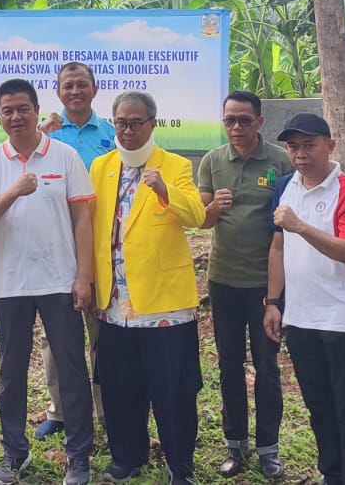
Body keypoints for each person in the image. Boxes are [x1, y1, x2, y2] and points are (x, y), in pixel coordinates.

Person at [0, 78, 97, 485]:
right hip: (10, 285)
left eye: (22, 108)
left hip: (60, 281)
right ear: (0, 115)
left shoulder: (64, 156)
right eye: (7, 110)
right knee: (11, 374)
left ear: (37, 110)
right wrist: (14, 191)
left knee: (73, 370)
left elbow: (82, 220)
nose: (15, 116)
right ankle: (14, 453)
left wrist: (84, 276)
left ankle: (79, 457)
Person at [89, 91, 206, 485]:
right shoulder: (102, 167)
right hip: (115, 303)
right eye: (121, 122)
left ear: (152, 124)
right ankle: (127, 456)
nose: (128, 130)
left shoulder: (173, 166)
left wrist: (164, 192)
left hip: (163, 304)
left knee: (172, 391)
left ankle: (179, 464)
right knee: (121, 387)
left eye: (136, 123)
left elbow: (197, 215)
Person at [262, 113, 345, 485]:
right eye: (293, 146)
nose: (300, 154)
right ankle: (332, 474)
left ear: (330, 145)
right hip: (301, 317)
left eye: (309, 145)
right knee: (319, 407)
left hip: (342, 317)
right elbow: (277, 246)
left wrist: (302, 226)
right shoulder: (285, 187)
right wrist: (273, 302)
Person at [198, 90, 292, 478]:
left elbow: (287, 225)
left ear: (259, 122)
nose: (236, 127)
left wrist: (276, 295)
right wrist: (212, 208)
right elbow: (201, 222)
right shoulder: (212, 162)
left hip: (267, 286)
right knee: (230, 367)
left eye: (244, 120)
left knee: (268, 368)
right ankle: (235, 445)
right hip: (224, 281)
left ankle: (269, 448)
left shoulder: (280, 161)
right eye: (230, 120)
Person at [34, 62, 113, 440]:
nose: (76, 91)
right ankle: (61, 411)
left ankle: (105, 413)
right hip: (54, 247)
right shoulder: (44, 135)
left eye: (83, 84)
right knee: (56, 336)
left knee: (103, 334)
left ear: (95, 90)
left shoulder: (112, 135)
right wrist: (38, 132)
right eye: (68, 85)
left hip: (101, 248)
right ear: (58, 91)